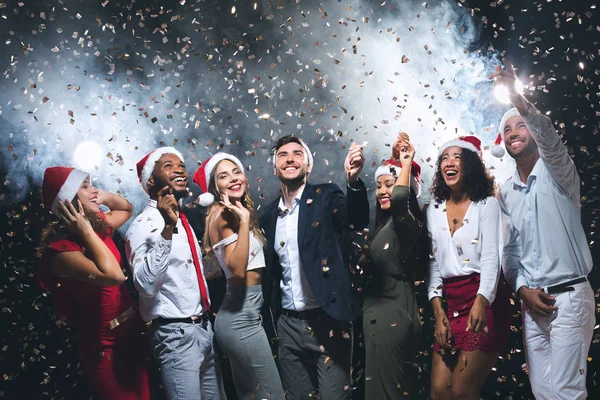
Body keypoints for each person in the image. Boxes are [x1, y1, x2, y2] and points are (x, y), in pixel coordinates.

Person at [490, 58, 595, 399]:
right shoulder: (505, 192)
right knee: (542, 391)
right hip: (532, 304)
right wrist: (522, 290)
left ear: (532, 130)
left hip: (569, 297)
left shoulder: (560, 173)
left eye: (521, 126)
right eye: (507, 130)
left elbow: (549, 138)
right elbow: (509, 253)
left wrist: (517, 100)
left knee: (565, 391)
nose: (514, 134)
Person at [259, 135, 369, 399]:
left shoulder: (326, 196)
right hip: (288, 326)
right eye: (283, 155)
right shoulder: (268, 215)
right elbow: (271, 277)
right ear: (275, 168)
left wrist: (352, 182)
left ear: (308, 166)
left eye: (297, 153)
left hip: (327, 319)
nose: (290, 159)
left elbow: (355, 220)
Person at [36, 166, 151, 400]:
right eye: (85, 186)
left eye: (91, 183)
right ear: (67, 202)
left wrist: (97, 194)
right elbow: (115, 276)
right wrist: (87, 232)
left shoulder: (99, 228)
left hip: (133, 334)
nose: (94, 190)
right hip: (105, 350)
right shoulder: (62, 252)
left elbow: (126, 208)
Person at [125, 147, 226, 400]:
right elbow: (146, 286)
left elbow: (198, 273)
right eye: (169, 165)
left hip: (204, 328)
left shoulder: (184, 220)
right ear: (150, 181)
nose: (180, 169)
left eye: (181, 164)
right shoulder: (143, 226)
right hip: (175, 337)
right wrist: (167, 228)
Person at [193, 152, 285, 399]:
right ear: (215, 187)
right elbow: (236, 269)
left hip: (244, 315)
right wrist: (244, 222)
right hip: (239, 319)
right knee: (272, 395)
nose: (233, 178)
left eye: (236, 171)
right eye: (224, 176)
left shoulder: (233, 211)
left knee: (251, 395)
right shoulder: (224, 215)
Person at [426, 136, 511, 400]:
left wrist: (481, 301)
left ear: (471, 165)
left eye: (457, 157)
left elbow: (491, 259)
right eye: (444, 158)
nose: (449, 163)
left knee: (463, 390)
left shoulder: (487, 205)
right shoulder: (433, 210)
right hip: (449, 303)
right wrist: (438, 312)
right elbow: (433, 265)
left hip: (484, 300)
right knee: (440, 391)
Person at [361, 133, 427, 399]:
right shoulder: (385, 227)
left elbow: (400, 197)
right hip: (387, 315)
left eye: (389, 184)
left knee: (386, 394)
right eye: (378, 186)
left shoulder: (406, 224)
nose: (382, 191)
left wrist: (406, 161)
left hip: (391, 316)